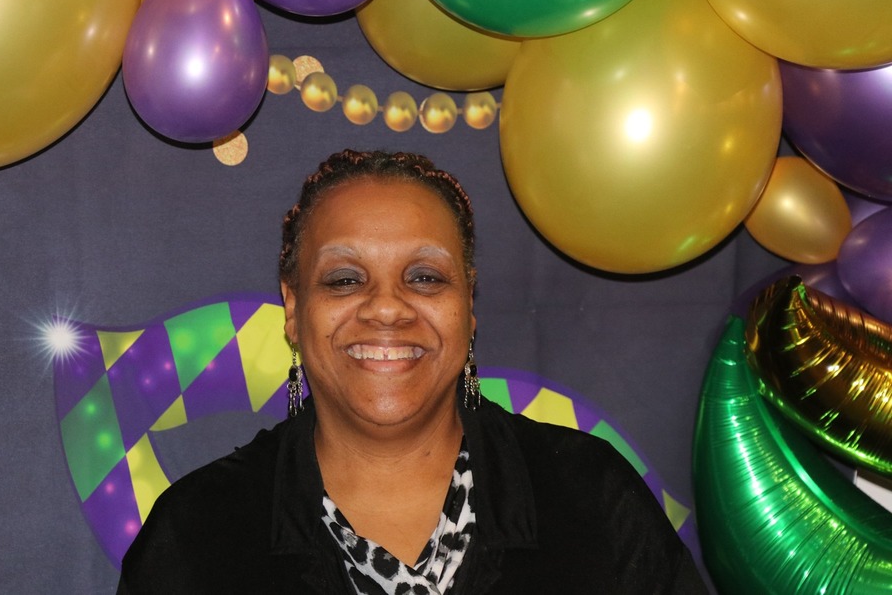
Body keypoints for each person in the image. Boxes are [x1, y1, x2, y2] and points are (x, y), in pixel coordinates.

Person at [117, 149, 707, 594]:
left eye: (425, 277)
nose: (387, 307)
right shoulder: (198, 534)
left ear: (468, 308)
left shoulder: (591, 501)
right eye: (344, 279)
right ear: (294, 311)